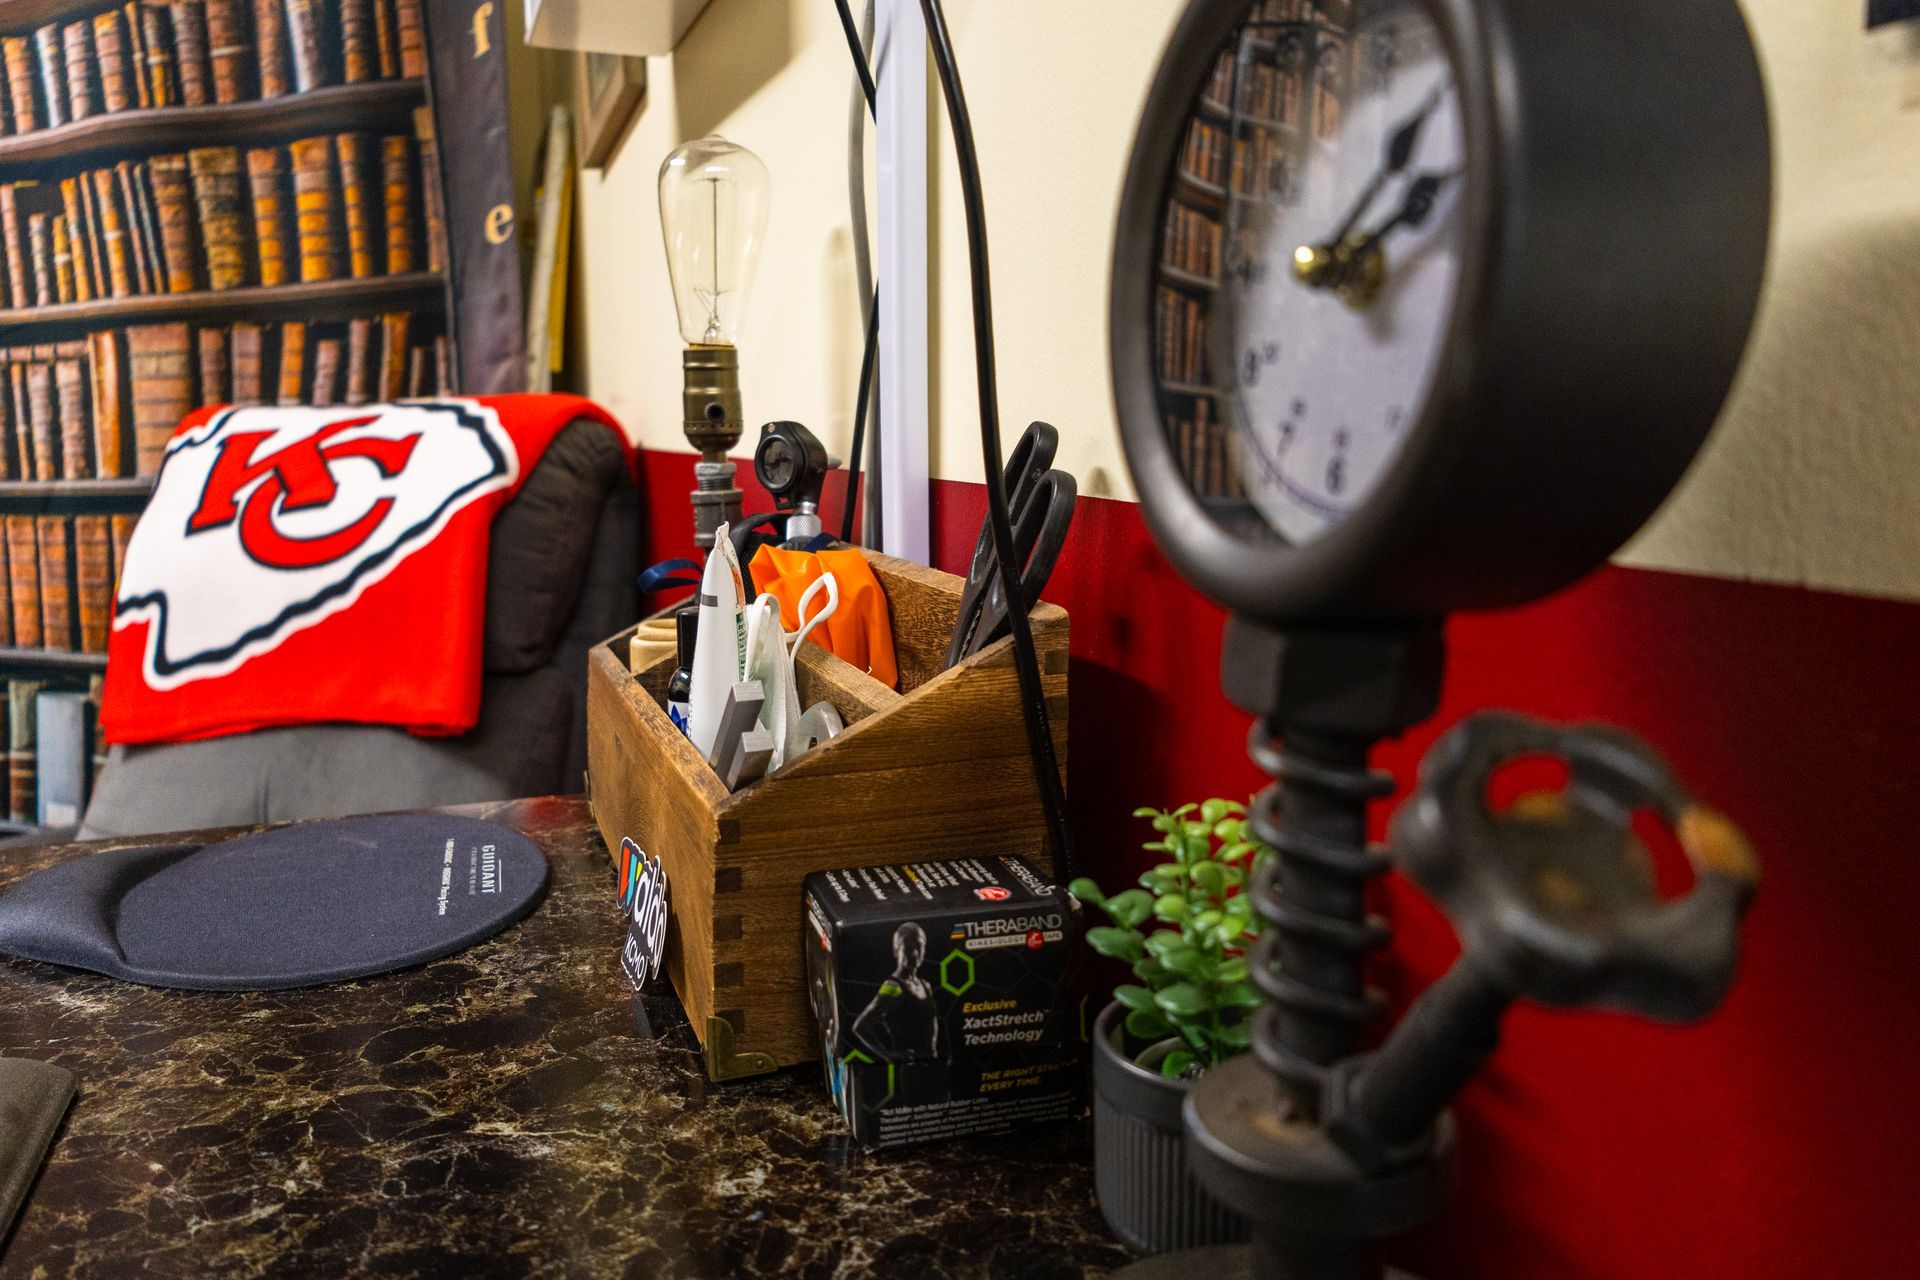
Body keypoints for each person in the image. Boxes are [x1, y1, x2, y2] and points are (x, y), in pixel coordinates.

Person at [850, 921, 939, 1062]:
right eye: (908, 948)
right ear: (896, 950)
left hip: (933, 1067)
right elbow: (860, 1026)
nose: (915, 953)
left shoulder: (925, 985)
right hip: (911, 1071)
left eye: (919, 946)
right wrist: (887, 1055)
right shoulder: (893, 986)